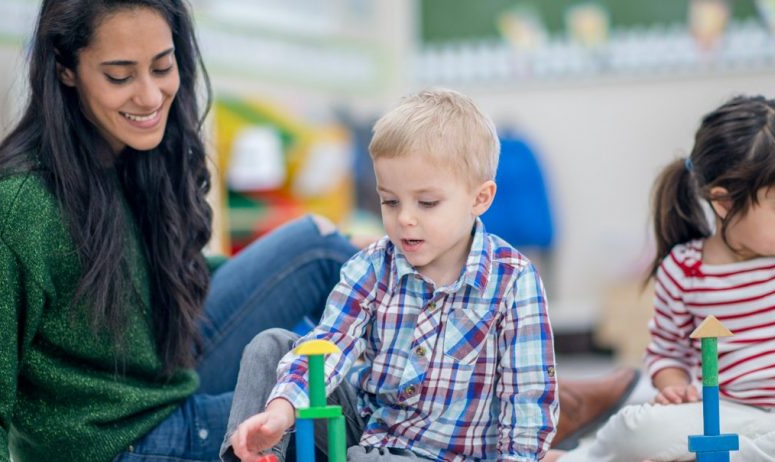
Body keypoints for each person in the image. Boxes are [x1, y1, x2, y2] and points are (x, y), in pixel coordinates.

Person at [0, 2, 635, 462]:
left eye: (163, 67)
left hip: (152, 365)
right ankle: (467, 412)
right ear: (65, 71)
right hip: (121, 437)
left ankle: (498, 404)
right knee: (313, 385)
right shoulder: (16, 210)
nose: (149, 97)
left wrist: (386, 257)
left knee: (325, 245)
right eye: (119, 76)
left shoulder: (131, 161)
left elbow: (149, 270)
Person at [223, 88, 558, 462]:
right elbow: (331, 343)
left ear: (480, 198)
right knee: (272, 345)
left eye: (427, 203)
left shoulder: (513, 280)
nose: (405, 218)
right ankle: (254, 454)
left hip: (450, 456)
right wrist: (280, 412)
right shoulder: (371, 267)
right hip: (367, 435)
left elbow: (527, 398)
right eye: (390, 201)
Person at [577, 95, 775, 461]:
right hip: (724, 417)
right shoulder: (684, 269)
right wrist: (676, 389)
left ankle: (718, 458)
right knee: (635, 429)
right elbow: (666, 353)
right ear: (724, 203)